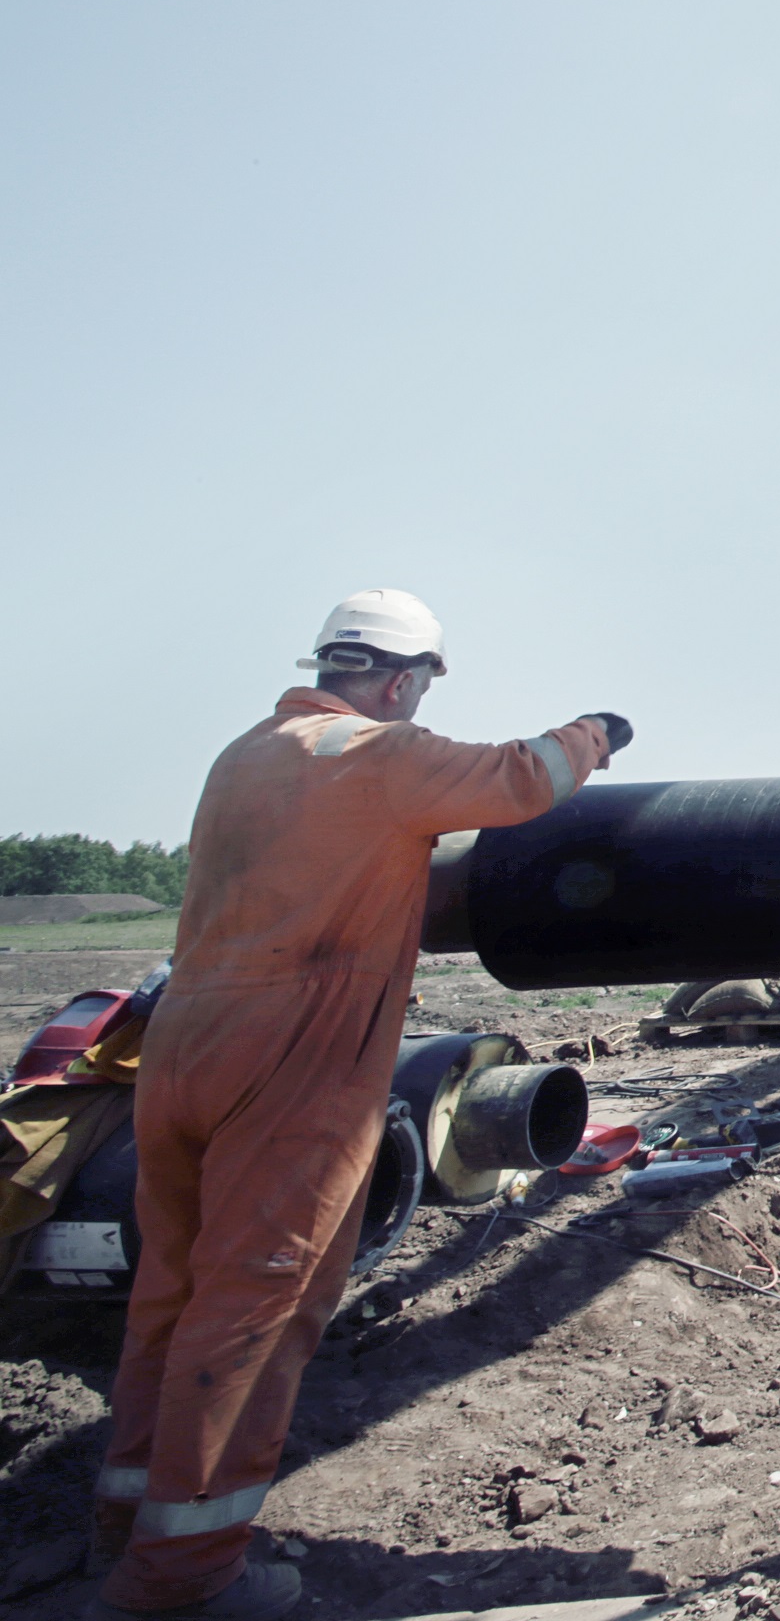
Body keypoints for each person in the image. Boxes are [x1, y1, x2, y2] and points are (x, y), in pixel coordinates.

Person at [90, 590, 633, 1621]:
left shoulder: (245, 755)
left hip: (179, 1052)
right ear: (398, 681)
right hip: (289, 1062)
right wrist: (595, 733)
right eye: (420, 686)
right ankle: (184, 1579)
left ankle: (126, 1528)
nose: (417, 703)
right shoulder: (377, 757)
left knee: (172, 1293)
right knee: (260, 1303)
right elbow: (521, 779)